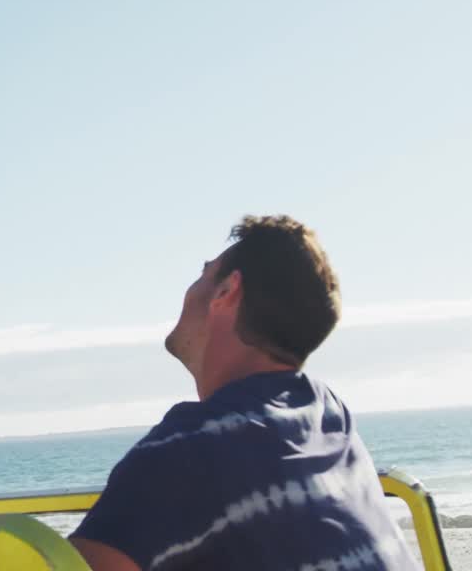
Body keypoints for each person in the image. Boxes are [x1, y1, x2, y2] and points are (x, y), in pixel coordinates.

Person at [70, 216, 415, 570]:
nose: (189, 288)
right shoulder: (328, 415)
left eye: (205, 273)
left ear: (226, 291)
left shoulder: (191, 447)